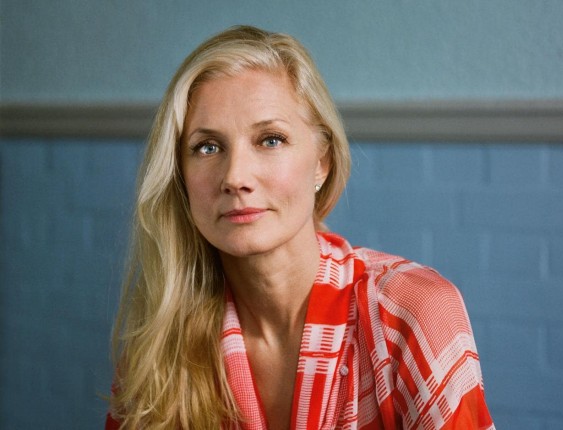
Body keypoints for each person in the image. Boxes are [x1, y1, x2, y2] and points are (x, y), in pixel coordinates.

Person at [107, 25, 494, 430]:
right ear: (180, 175)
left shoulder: (412, 312)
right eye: (208, 147)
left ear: (322, 163)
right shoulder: (161, 339)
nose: (235, 177)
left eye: (270, 140)